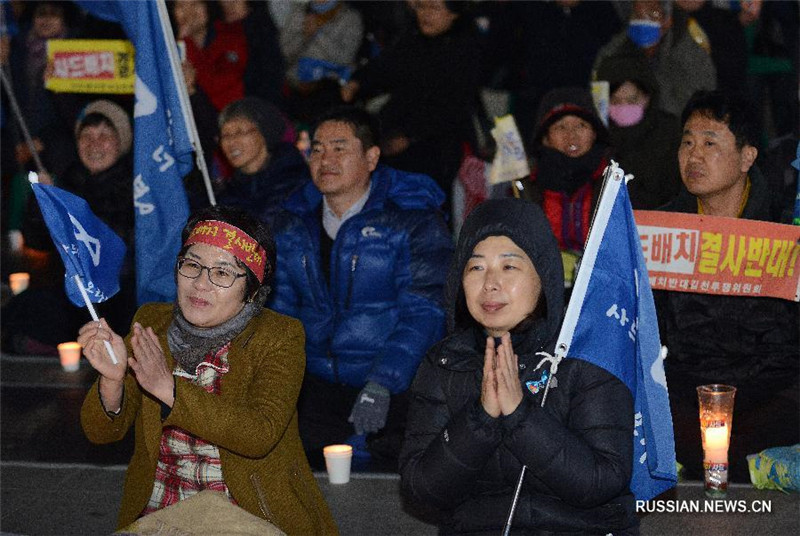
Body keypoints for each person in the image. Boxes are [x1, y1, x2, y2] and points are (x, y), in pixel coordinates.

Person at [78, 205, 337, 534]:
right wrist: (112, 380)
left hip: (246, 516)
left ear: (253, 290)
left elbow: (259, 434)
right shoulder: (151, 324)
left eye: (223, 272)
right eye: (192, 265)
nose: (201, 284)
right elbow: (101, 433)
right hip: (161, 513)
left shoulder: (278, 337)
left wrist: (168, 390)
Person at [400, 198, 637, 534]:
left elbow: (601, 481)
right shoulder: (445, 363)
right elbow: (421, 488)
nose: (491, 283)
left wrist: (519, 415)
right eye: (476, 267)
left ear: (543, 278)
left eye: (509, 267)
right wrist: (480, 419)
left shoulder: (584, 355)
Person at [269, 106, 453, 462]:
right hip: (313, 389)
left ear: (371, 157)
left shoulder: (412, 218)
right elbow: (280, 311)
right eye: (317, 149)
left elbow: (425, 310)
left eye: (340, 148)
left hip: (393, 386)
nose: (326, 159)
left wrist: (384, 382)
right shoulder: (292, 222)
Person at [655, 90, 799, 482]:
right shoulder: (662, 231)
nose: (694, 156)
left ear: (747, 157)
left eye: (709, 143)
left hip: (768, 394)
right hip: (686, 391)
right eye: (687, 142)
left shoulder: (785, 230)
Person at [2, 100, 136, 353]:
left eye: (105, 135)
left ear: (122, 142)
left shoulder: (137, 190)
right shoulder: (68, 181)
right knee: (22, 310)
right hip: (71, 293)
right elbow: (35, 241)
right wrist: (42, 201)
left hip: (118, 293)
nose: (94, 144)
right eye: (87, 136)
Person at [341, 0, 480, 198]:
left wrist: (409, 136)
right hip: (395, 127)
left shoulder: (465, 49)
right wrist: (357, 83)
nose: (425, 14)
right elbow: (384, 67)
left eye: (434, 8)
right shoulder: (413, 39)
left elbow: (452, 107)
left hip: (437, 141)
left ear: (453, 14)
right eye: (421, 7)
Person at [520, 86, 611, 285]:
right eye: (561, 127)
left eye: (581, 126)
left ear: (595, 133)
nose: (572, 136)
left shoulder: (612, 184)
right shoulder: (526, 188)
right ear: (545, 137)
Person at [593, 0, 716, 118]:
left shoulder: (691, 55)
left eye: (652, 14)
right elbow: (600, 101)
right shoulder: (613, 52)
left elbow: (696, 109)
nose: (643, 19)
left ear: (666, 21)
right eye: (637, 15)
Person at [595, 53, 682, 209]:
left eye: (632, 100)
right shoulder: (596, 136)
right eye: (615, 101)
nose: (623, 107)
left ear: (648, 97)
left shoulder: (669, 135)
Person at [216, 97, 310, 227]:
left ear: (264, 132)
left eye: (240, 132)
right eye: (225, 135)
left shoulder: (296, 181)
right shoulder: (227, 194)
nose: (231, 142)